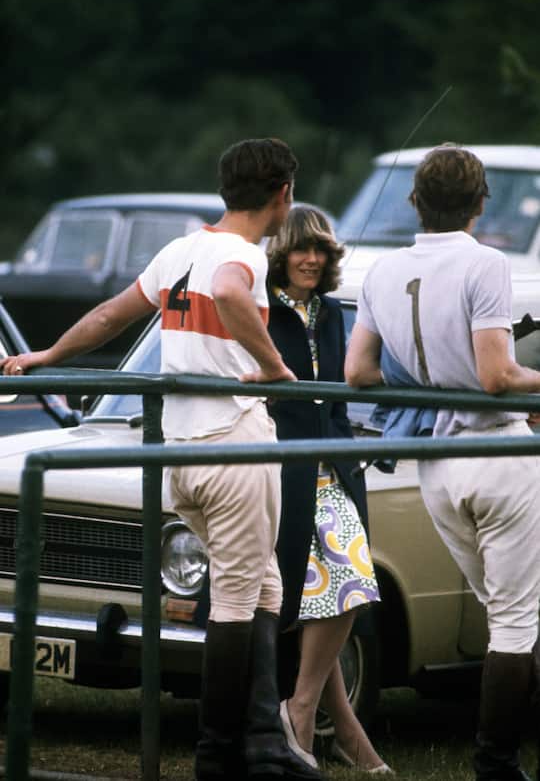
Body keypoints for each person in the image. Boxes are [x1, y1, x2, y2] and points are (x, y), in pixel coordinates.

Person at [1, 138, 325, 781]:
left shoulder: (181, 250)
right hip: (233, 442)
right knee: (236, 595)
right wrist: (274, 366)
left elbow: (108, 316)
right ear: (284, 196)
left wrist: (44, 357)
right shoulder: (242, 258)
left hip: (179, 450)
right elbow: (232, 295)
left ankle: (264, 740)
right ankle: (217, 756)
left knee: (264, 582)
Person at [344, 142, 540, 781]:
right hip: (496, 451)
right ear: (480, 204)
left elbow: (359, 372)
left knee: (508, 615)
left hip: (437, 468)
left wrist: (424, 375)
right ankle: (496, 765)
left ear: (414, 202)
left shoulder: (380, 273)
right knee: (513, 625)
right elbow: (495, 375)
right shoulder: (486, 263)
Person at [264, 206, 392, 775]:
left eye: (319, 249)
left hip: (333, 467)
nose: (311, 259)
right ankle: (339, 730)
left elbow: (342, 394)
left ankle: (303, 712)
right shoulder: (262, 309)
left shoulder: (335, 311)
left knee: (348, 584)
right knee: (333, 590)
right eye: (300, 249)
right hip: (283, 468)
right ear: (281, 254)